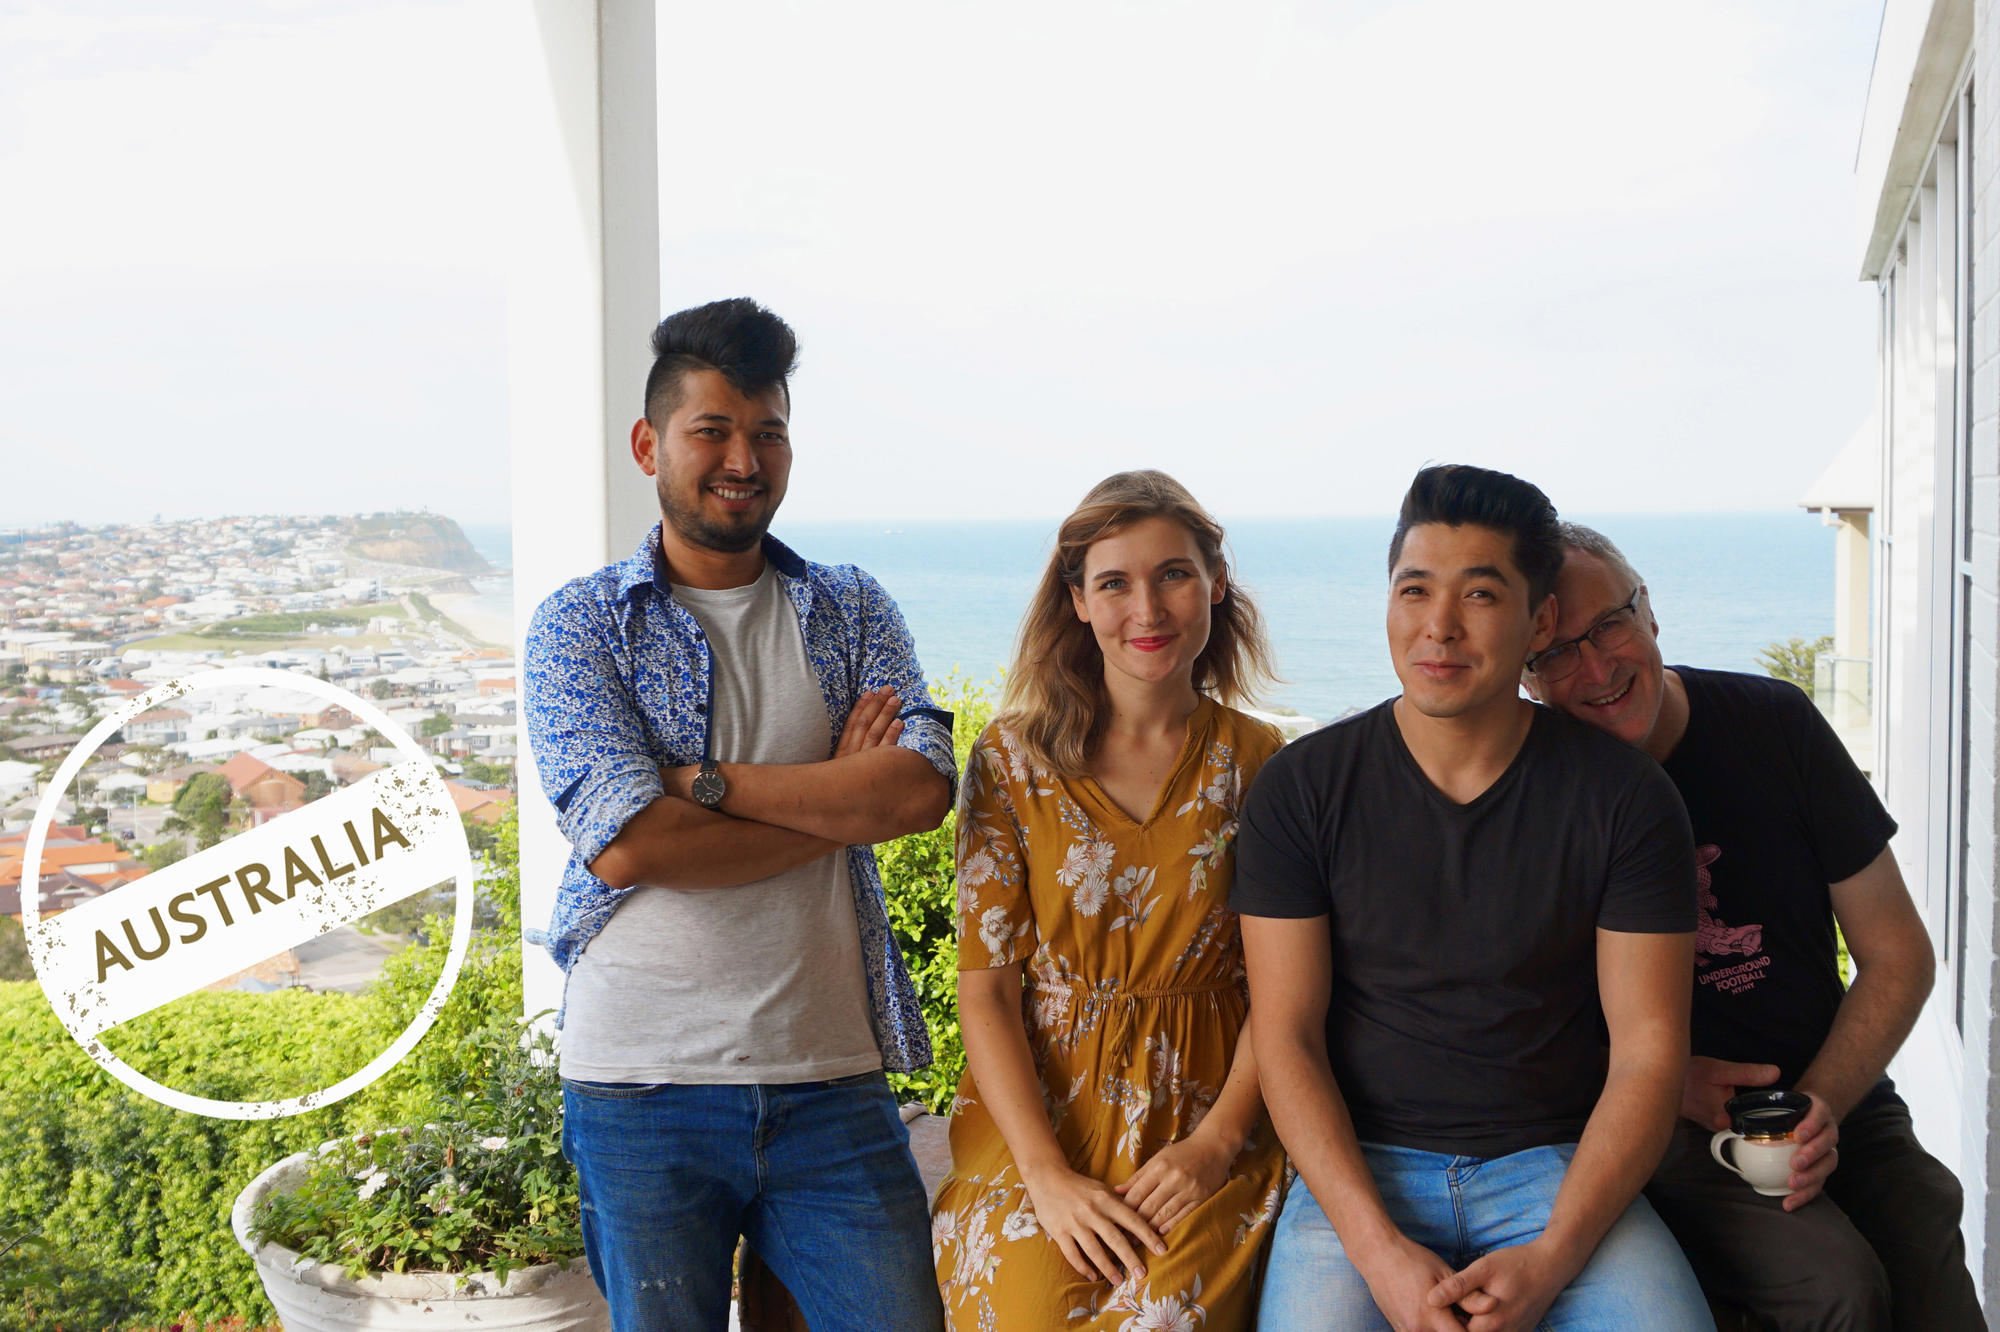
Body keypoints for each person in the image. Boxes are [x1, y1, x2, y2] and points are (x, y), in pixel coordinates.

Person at [522, 297, 954, 1332]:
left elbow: (917, 790)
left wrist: (704, 782)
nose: (743, 459)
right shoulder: (581, 624)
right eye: (712, 430)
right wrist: (836, 800)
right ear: (649, 446)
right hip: (641, 1085)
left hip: (831, 1073)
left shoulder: (849, 605)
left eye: (768, 432)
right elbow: (630, 844)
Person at [1234, 464, 1716, 1332]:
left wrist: (1554, 1256)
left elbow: (1649, 1053)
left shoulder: (1625, 798)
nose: (1440, 626)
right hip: (1361, 1174)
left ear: (1541, 622)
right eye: (1414, 590)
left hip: (1559, 1171)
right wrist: (1377, 1252)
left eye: (1481, 595)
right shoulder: (1302, 789)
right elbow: (1286, 1036)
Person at [1525, 521, 1983, 1331]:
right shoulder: (1535, 794)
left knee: (1921, 1233)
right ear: (1527, 680)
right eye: (1556, 652)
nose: (1596, 668)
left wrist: (1821, 1104)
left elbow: (1897, 955)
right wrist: (1660, 1081)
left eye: (1610, 625)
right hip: (1661, 1123)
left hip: (1833, 1086)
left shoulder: (1775, 723)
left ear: (1649, 611)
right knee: (1836, 1287)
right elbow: (1508, 1020)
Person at [932, 470, 1289, 1330]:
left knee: (1165, 1317)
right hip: (1040, 1123)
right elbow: (987, 992)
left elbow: (1280, 992)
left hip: (1210, 1119)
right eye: (1115, 583)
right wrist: (1047, 1177)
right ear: (1079, 602)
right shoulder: (1010, 760)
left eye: (1174, 575)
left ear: (1215, 583)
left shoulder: (1261, 762)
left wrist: (1215, 1147)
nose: (1148, 609)